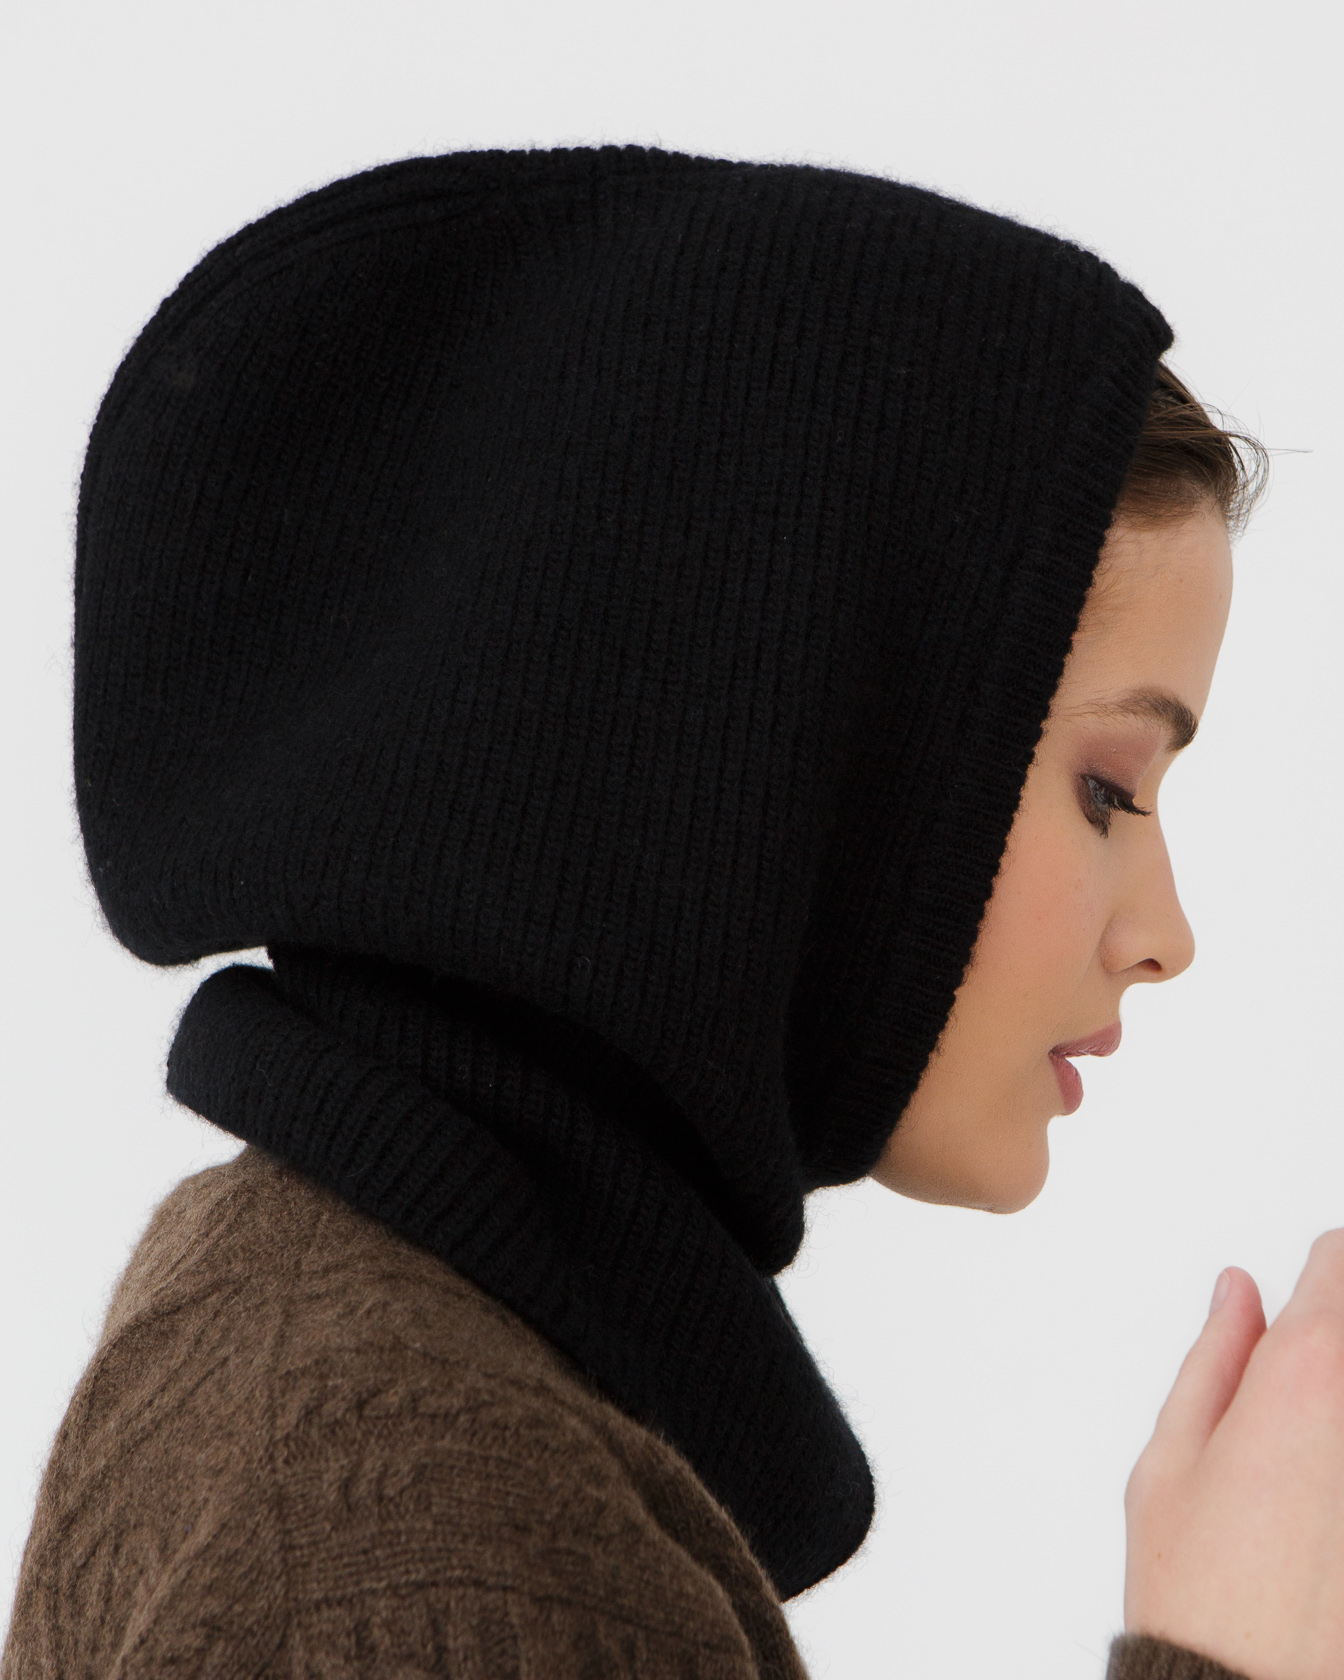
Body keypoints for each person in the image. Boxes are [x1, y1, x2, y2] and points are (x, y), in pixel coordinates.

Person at [1, 146, 1324, 1680]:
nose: (1166, 935)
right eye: (1108, 788)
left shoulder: (315, 1310)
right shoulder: (417, 1533)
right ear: (770, 749)